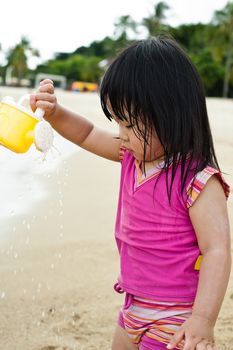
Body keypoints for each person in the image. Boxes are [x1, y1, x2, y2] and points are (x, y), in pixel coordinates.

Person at [30, 36, 231, 350]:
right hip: (132, 304)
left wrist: (203, 320)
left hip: (176, 316)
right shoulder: (131, 156)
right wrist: (55, 114)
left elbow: (217, 251)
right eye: (117, 123)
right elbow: (86, 133)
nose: (120, 136)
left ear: (170, 114)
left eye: (129, 125)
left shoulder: (198, 181)